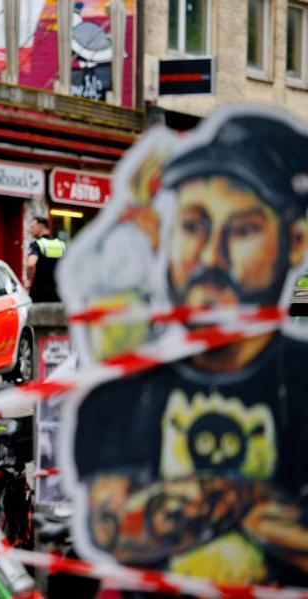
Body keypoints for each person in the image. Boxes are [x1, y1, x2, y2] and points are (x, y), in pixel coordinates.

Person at [70, 110, 308, 589]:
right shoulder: (128, 386)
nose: (210, 257)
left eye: (241, 230)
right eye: (195, 225)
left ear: (295, 242)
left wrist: (182, 503)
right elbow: (111, 526)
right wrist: (247, 503)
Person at [26, 216, 66, 303]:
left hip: (40, 293)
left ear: (40, 227)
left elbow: (31, 264)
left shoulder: (37, 244)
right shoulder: (61, 244)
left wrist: (30, 280)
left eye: (32, 227)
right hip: (58, 292)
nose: (30, 230)